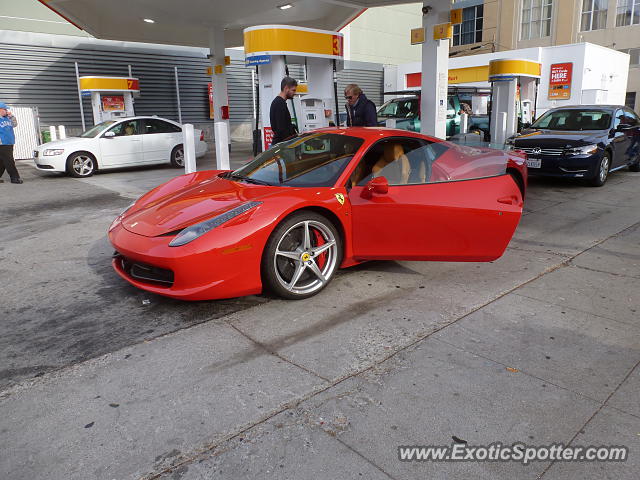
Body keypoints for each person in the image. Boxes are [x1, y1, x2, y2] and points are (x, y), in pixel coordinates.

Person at [269, 77, 298, 146]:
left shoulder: (279, 102)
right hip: (281, 146)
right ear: (286, 88)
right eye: (293, 90)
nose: (295, 93)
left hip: (280, 144)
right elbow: (281, 129)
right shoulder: (279, 104)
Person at [0, 102, 22, 184]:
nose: (7, 111)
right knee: (9, 161)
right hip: (2, 144)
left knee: (2, 162)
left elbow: (15, 124)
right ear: (0, 110)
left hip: (9, 142)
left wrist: (11, 116)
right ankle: (15, 178)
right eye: (5, 109)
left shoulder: (7, 118)